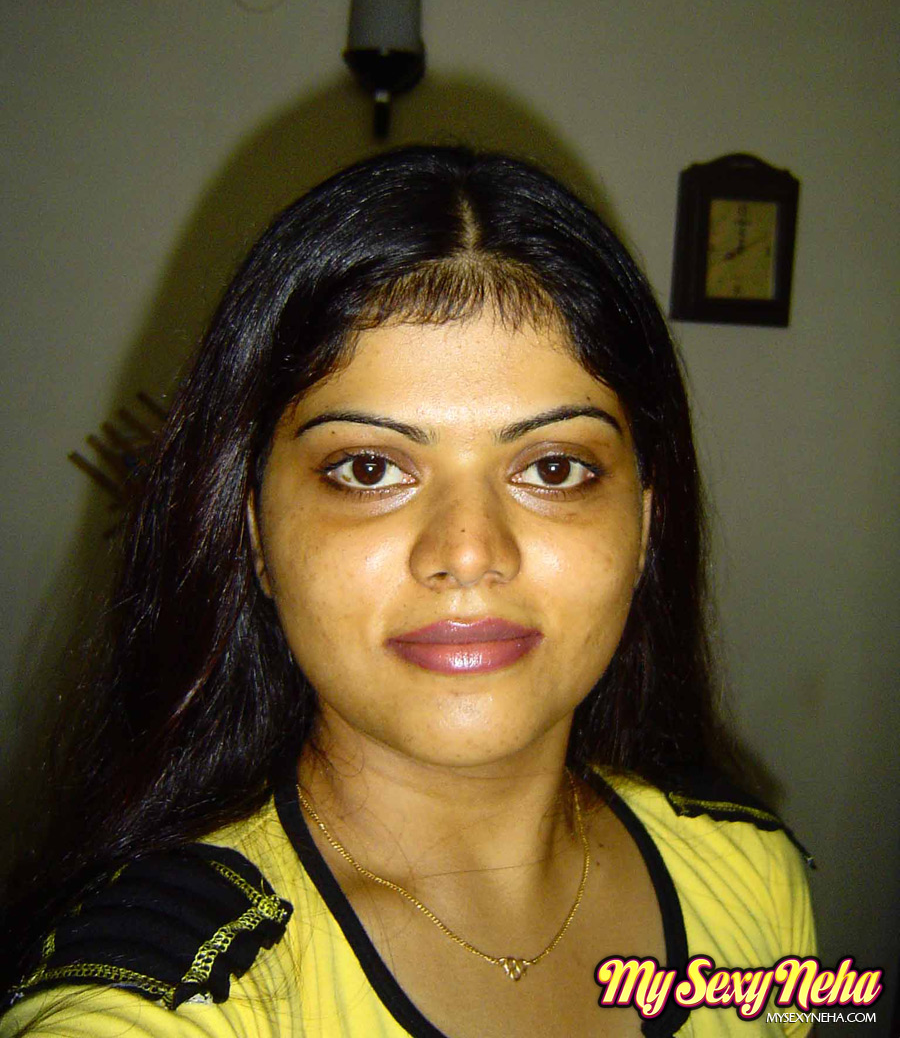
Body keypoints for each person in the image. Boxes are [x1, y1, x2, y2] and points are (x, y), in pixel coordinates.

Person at [0, 146, 814, 1036]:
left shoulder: (751, 877)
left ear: (646, 525)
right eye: (368, 468)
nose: (467, 552)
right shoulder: (162, 996)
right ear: (256, 533)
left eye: (552, 467)